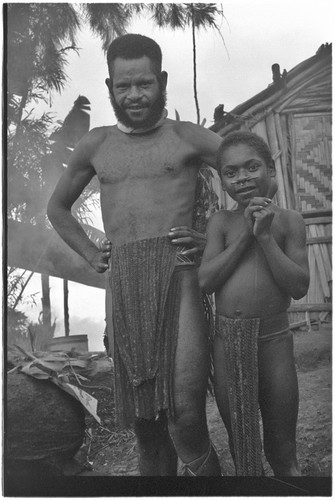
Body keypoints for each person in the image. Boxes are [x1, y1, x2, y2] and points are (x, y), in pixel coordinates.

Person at [47, 34, 223, 476]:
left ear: (162, 80)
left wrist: (214, 239)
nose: (134, 95)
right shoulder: (97, 145)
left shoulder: (188, 138)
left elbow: (254, 175)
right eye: (123, 87)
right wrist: (90, 253)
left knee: (186, 419)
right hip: (124, 287)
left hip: (180, 281)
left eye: (144, 84)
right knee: (147, 426)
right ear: (109, 87)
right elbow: (57, 208)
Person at [198, 131, 309, 476]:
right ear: (222, 181)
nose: (242, 178)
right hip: (229, 344)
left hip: (275, 340)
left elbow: (299, 287)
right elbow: (206, 281)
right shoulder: (222, 223)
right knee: (242, 444)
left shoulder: (289, 221)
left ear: (269, 170)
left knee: (282, 446)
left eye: (251, 167)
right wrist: (246, 232)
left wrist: (264, 235)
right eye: (231, 173)